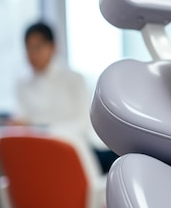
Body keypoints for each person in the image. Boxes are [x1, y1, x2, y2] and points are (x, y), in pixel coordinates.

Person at [8, 21, 118, 173]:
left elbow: (82, 122)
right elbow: (20, 121)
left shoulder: (74, 79)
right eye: (28, 48)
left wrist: (44, 129)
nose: (32, 54)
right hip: (39, 150)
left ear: (52, 47)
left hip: (76, 146)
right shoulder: (22, 84)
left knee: (122, 161)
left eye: (38, 47)